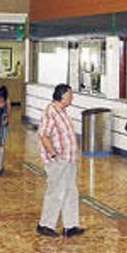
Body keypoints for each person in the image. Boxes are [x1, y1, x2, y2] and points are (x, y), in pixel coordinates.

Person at [36, 84, 84, 238]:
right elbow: (43, 135)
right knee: (55, 192)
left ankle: (70, 226)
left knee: (70, 191)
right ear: (62, 96)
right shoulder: (51, 112)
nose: (72, 97)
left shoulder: (62, 111)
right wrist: (54, 155)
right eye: (70, 95)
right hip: (58, 160)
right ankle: (45, 224)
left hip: (69, 159)